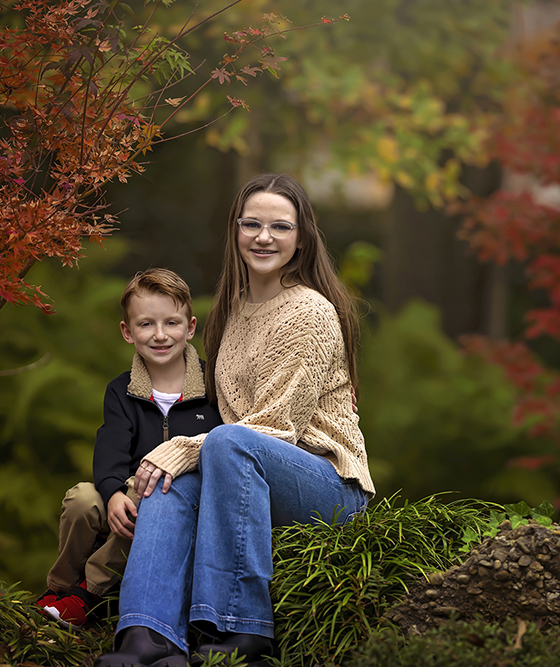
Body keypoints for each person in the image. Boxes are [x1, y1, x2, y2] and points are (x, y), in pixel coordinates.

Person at [94, 173, 375, 667]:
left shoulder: (309, 312)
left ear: (301, 237)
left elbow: (274, 428)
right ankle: (147, 637)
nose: (264, 237)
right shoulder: (234, 309)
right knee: (167, 482)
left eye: (280, 227)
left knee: (218, 446)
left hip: (326, 485)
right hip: (245, 472)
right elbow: (228, 416)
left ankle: (241, 628)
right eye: (252, 224)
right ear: (236, 231)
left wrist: (183, 446)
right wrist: (169, 460)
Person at [38, 268, 222, 627]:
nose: (160, 335)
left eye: (171, 323)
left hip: (179, 498)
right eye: (146, 324)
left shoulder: (213, 387)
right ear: (127, 331)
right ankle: (58, 588)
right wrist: (110, 494)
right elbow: (110, 449)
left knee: (145, 496)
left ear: (190, 327)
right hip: (126, 489)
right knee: (81, 499)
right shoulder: (121, 391)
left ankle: (88, 594)